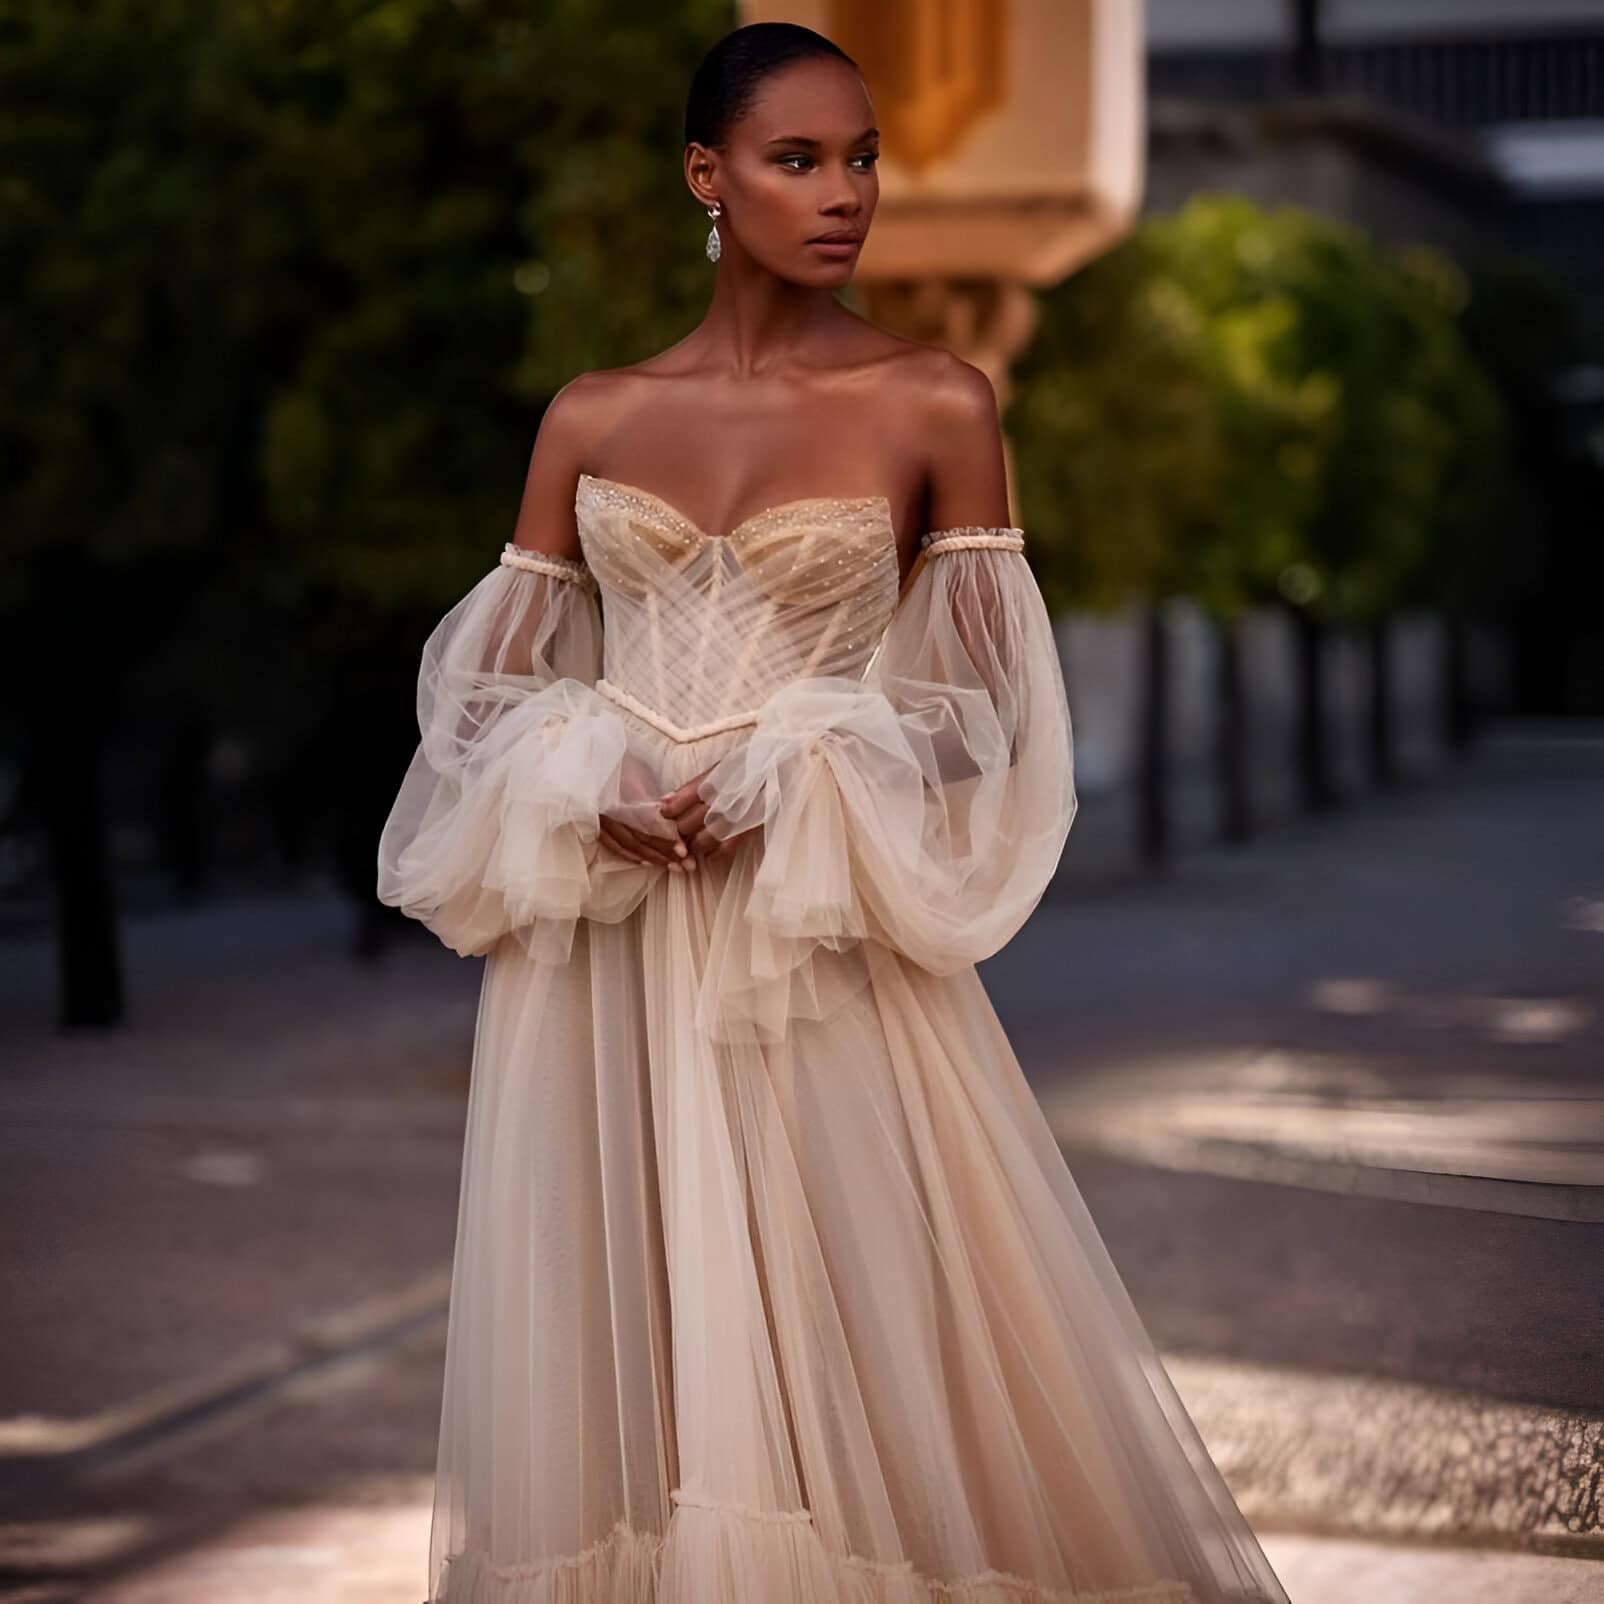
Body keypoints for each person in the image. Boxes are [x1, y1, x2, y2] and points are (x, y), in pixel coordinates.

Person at [377, 21, 1289, 1604]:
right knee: (634, 1330)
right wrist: (590, 779)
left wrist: (807, 758)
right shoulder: (591, 416)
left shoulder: (935, 401)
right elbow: (480, 696)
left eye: (861, 157)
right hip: (613, 953)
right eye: (797, 159)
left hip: (810, 929)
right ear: (706, 175)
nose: (845, 191)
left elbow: (995, 715)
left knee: (870, 1321)